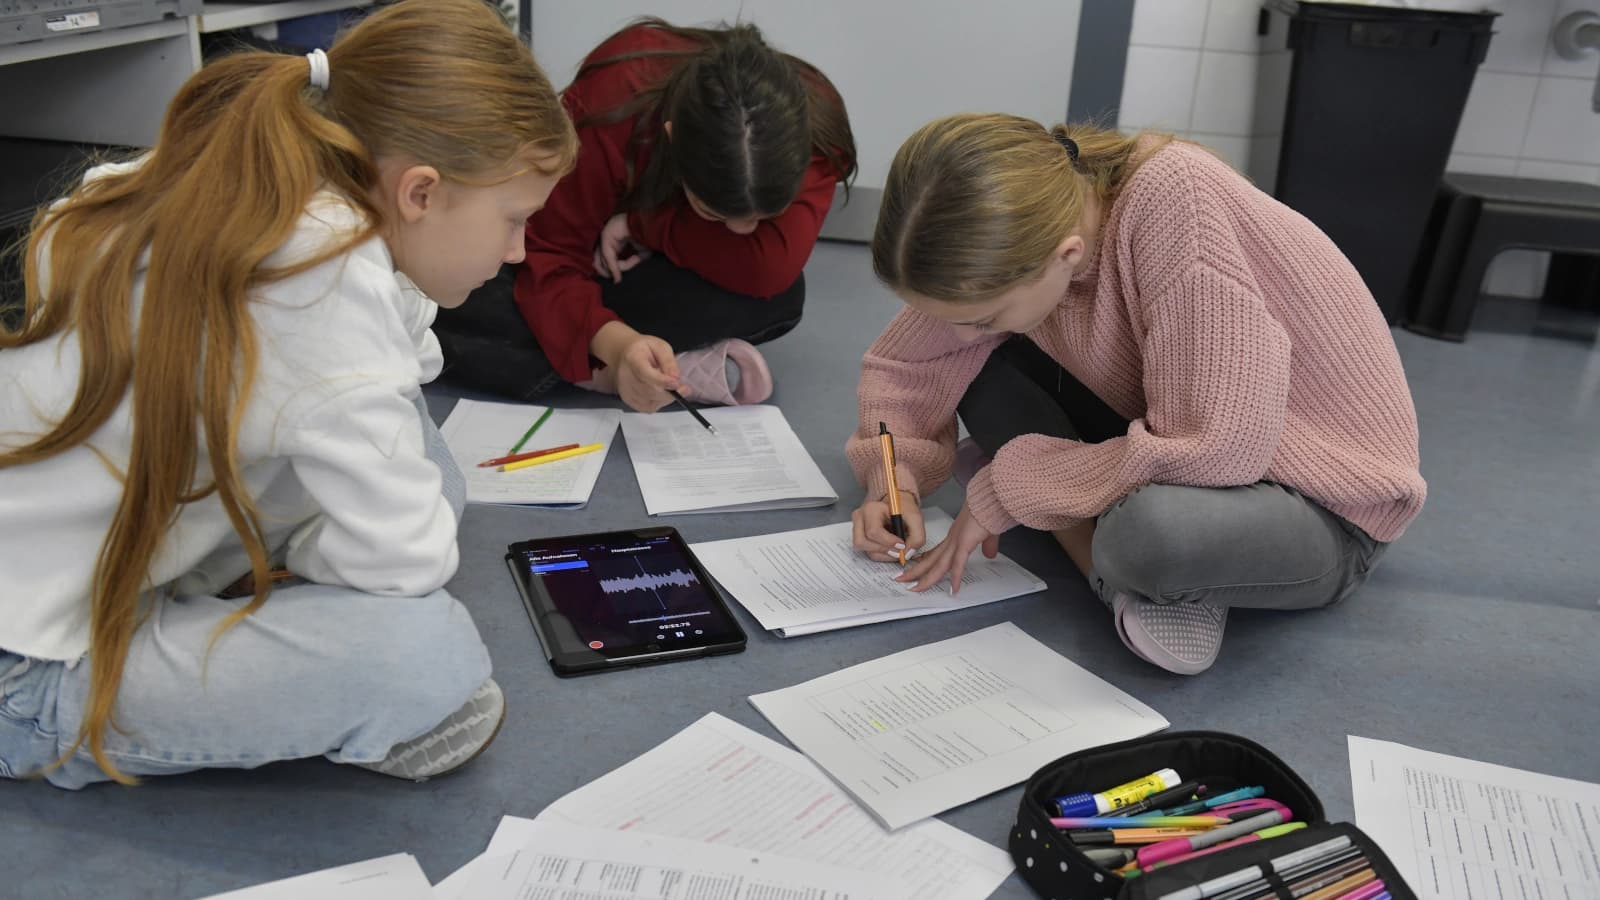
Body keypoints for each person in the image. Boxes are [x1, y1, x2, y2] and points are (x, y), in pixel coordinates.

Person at [0, 0, 577, 788]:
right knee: (424, 657)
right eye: (514, 219)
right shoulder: (321, 278)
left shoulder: (277, 188)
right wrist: (331, 569)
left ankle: (242, 596)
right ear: (418, 192)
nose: (517, 251)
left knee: (430, 474)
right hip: (31, 666)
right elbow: (408, 560)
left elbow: (399, 384)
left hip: (101, 556)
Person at [846, 114, 1426, 675]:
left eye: (983, 317)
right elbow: (906, 364)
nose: (962, 332)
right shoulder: (1029, 224)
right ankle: (1092, 531)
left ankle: (1107, 556)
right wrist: (894, 482)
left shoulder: (1176, 206)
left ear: (1067, 254)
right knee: (975, 367)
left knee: (1150, 537)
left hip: (1315, 506)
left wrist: (1014, 485)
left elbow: (1221, 448)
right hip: (1178, 434)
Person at [433, 17, 856, 413]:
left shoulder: (814, 127)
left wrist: (644, 225)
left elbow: (770, 267)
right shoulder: (615, 98)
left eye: (766, 216)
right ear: (671, 138)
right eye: (712, 211)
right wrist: (618, 346)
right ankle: (639, 367)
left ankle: (605, 362)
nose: (743, 230)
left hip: (637, 267)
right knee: (449, 295)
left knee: (778, 296)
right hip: (586, 262)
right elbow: (549, 254)